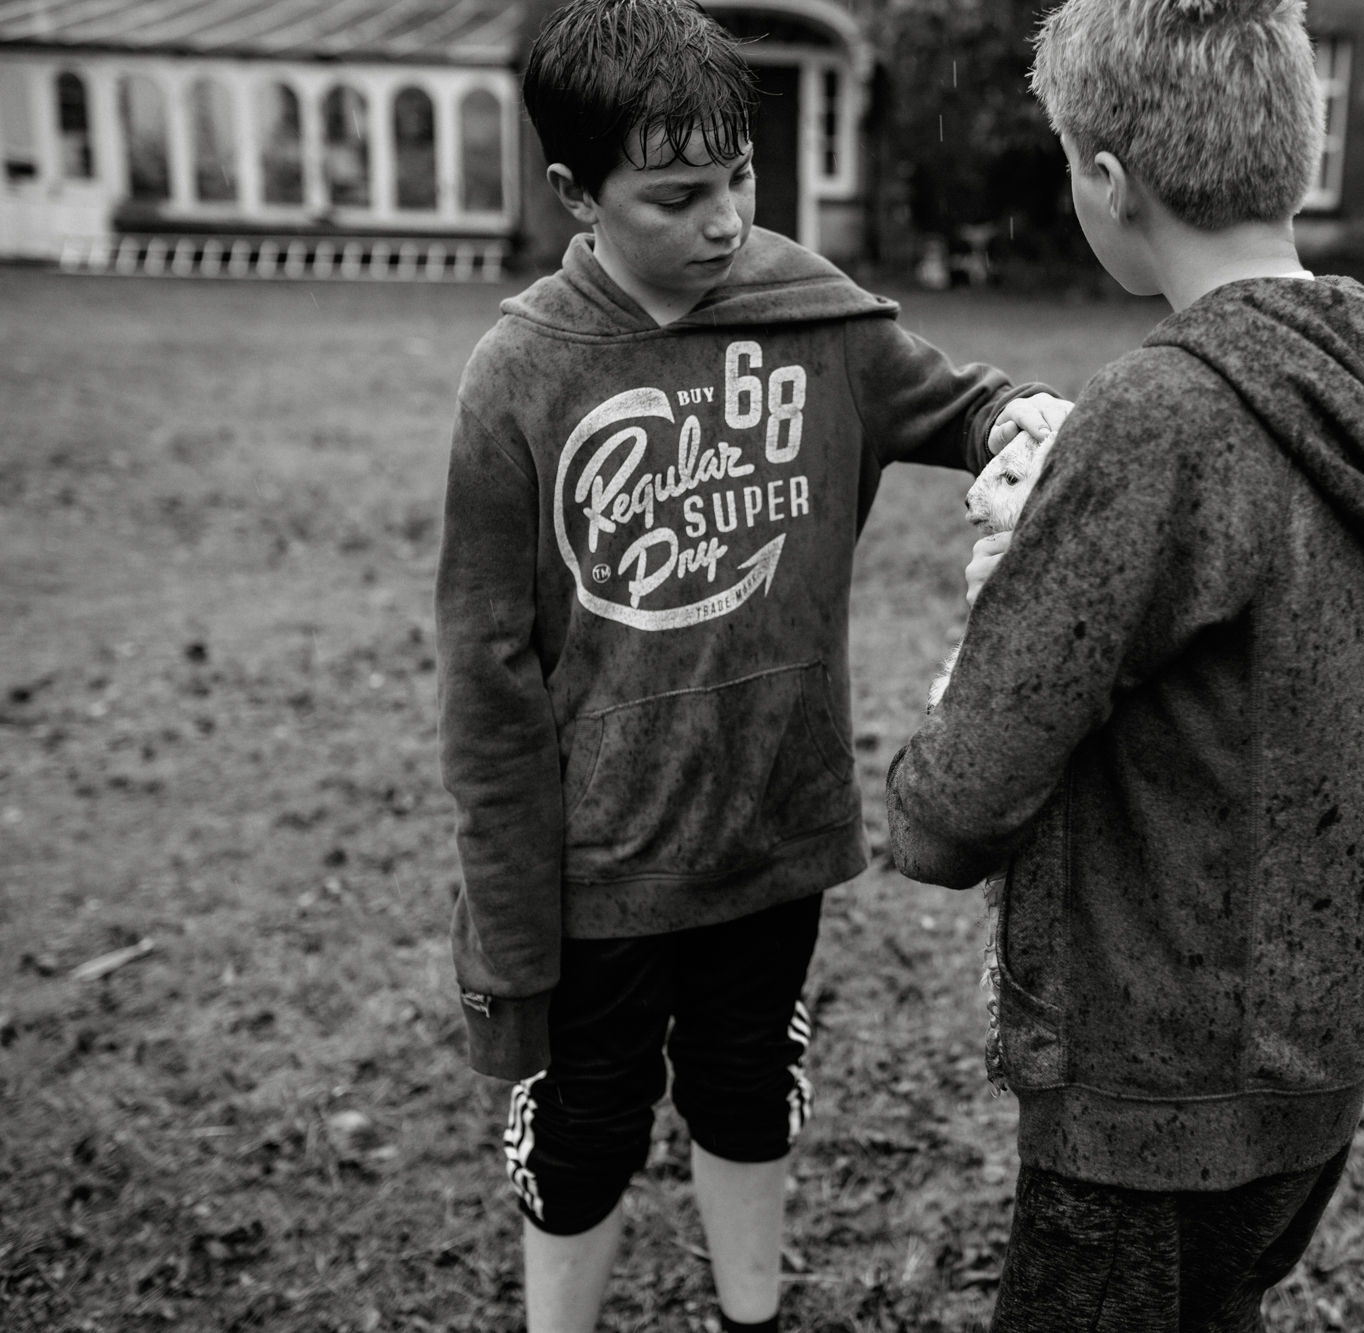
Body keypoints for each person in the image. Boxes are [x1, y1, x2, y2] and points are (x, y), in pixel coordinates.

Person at [434, 4, 1057, 1329]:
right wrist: (504, 935)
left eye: (740, 178)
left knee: (747, 1088)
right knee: (585, 1124)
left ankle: (752, 1316)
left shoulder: (818, 323)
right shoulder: (518, 379)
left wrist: (1022, 421)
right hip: (596, 872)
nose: (725, 220)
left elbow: (960, 400)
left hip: (771, 838)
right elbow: (484, 689)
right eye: (677, 195)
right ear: (574, 194)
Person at [886, 0, 1364, 1328]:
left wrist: (966, 668)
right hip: (1317, 1058)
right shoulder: (1363, 376)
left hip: (1154, 1083)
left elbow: (956, 804)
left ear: (1107, 178)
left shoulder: (1160, 416)